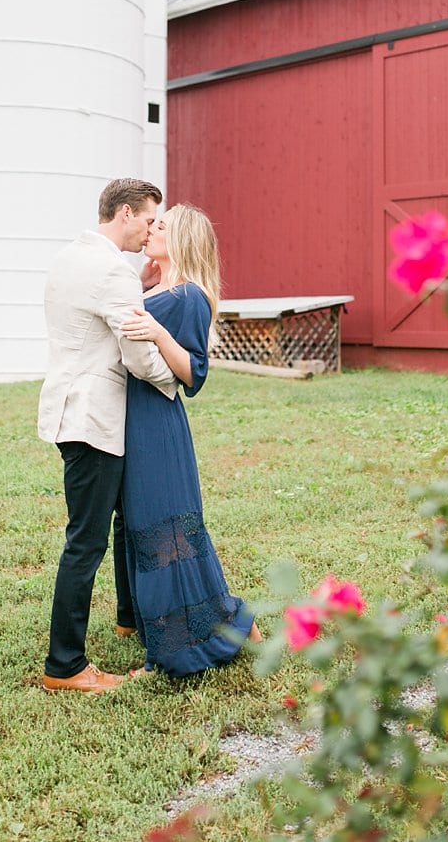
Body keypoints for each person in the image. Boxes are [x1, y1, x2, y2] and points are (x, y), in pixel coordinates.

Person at [38, 178, 180, 694]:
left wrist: (136, 286)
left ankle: (127, 616)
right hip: (94, 419)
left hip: (68, 410)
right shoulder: (112, 274)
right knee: (86, 540)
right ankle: (66, 665)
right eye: (147, 219)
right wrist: (175, 380)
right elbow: (137, 352)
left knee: (121, 523)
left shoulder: (70, 259)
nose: (150, 230)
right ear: (125, 213)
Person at [117, 203, 261, 675]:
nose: (150, 230)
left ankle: (178, 648)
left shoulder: (189, 296)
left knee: (168, 533)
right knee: (157, 532)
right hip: (134, 419)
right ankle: (231, 620)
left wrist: (157, 331)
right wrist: (141, 285)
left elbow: (193, 374)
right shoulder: (158, 287)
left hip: (157, 424)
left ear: (180, 240)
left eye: (159, 226)